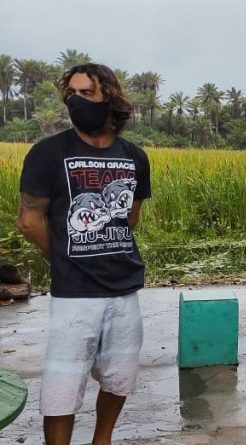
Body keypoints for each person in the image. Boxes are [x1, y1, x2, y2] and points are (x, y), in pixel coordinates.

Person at [16, 63, 151, 445]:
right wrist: (63, 259)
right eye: (71, 94)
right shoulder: (48, 152)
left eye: (86, 93)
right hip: (74, 295)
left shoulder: (135, 156)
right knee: (62, 385)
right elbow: (29, 220)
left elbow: (129, 218)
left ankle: (101, 440)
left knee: (120, 375)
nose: (77, 101)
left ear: (109, 96)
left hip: (124, 289)